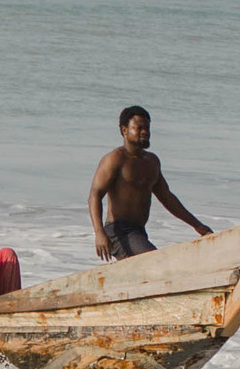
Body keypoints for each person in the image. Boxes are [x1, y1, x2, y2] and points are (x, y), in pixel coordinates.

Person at [88, 105, 213, 261]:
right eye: (139, 128)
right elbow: (95, 195)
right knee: (156, 260)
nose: (145, 132)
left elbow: (167, 198)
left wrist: (197, 225)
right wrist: (99, 233)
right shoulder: (115, 159)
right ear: (124, 130)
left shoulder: (152, 162)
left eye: (147, 128)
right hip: (118, 231)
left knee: (141, 271)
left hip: (139, 232)